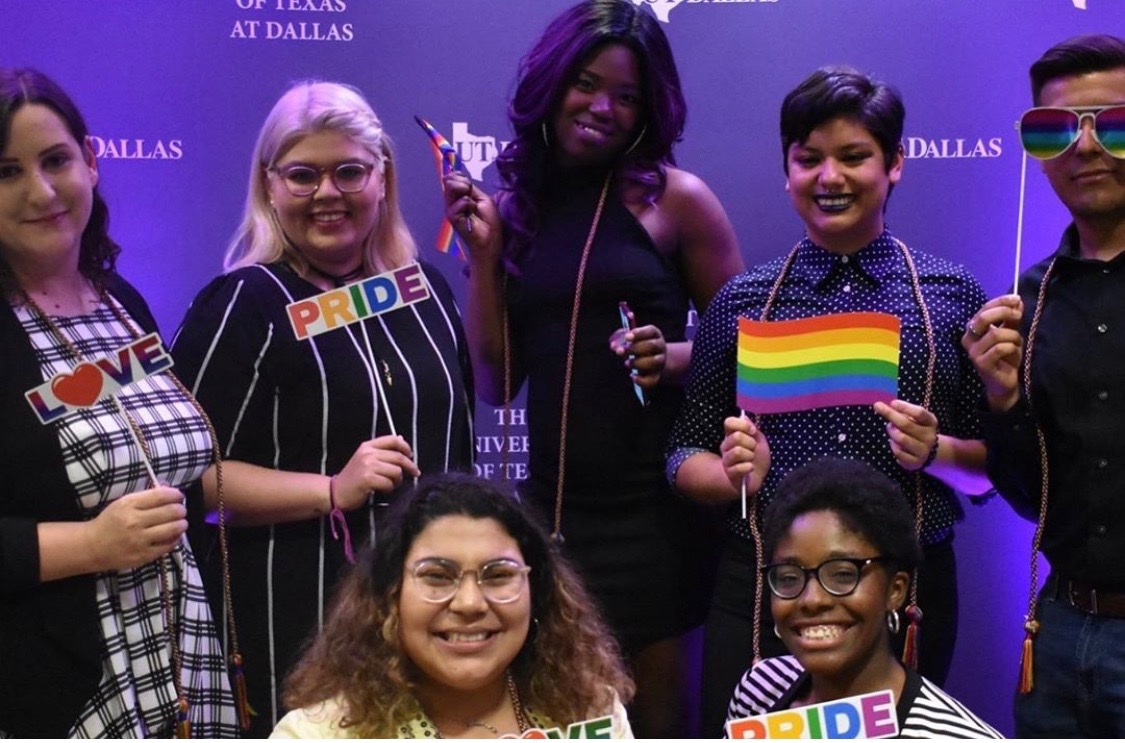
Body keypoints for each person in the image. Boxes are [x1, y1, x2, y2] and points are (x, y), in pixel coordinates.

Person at [441, 1, 743, 734]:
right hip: (550, 520)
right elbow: (493, 381)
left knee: (660, 725)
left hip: (658, 523)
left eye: (627, 95)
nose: (603, 107)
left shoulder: (676, 200)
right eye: (586, 83)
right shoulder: (516, 209)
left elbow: (751, 349)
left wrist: (671, 359)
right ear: (552, 82)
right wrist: (482, 259)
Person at [667, 66, 994, 735]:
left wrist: (936, 450)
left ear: (894, 164)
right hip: (766, 586)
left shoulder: (949, 294)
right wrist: (727, 472)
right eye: (807, 159)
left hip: (908, 591)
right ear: (786, 170)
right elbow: (681, 452)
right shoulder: (742, 301)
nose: (828, 177)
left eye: (853, 157)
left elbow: (992, 470)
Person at [172, 80, 474, 736]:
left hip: (441, 614)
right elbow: (191, 475)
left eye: (349, 172)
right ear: (269, 184)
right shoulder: (241, 303)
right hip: (301, 613)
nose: (327, 193)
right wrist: (331, 488)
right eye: (303, 175)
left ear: (382, 176)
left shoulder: (425, 289)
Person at [0, 68, 237, 737]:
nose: (40, 191)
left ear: (92, 162)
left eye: (55, 160)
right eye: (6, 171)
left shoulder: (123, 302)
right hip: (53, 687)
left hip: (180, 659)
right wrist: (93, 544)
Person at [963, 34, 1125, 737]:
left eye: (1112, 123)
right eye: (1057, 128)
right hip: (1057, 631)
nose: (1084, 147)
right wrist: (1001, 404)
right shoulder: (1026, 301)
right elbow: (1032, 497)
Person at [269, 473, 633, 738]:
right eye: (438, 577)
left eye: (497, 576)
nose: (470, 603)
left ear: (536, 591)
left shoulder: (590, 710)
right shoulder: (315, 734)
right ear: (389, 597)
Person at [725, 458, 1002, 738]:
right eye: (789, 577)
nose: (812, 599)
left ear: (895, 590)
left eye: (843, 574)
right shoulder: (759, 690)